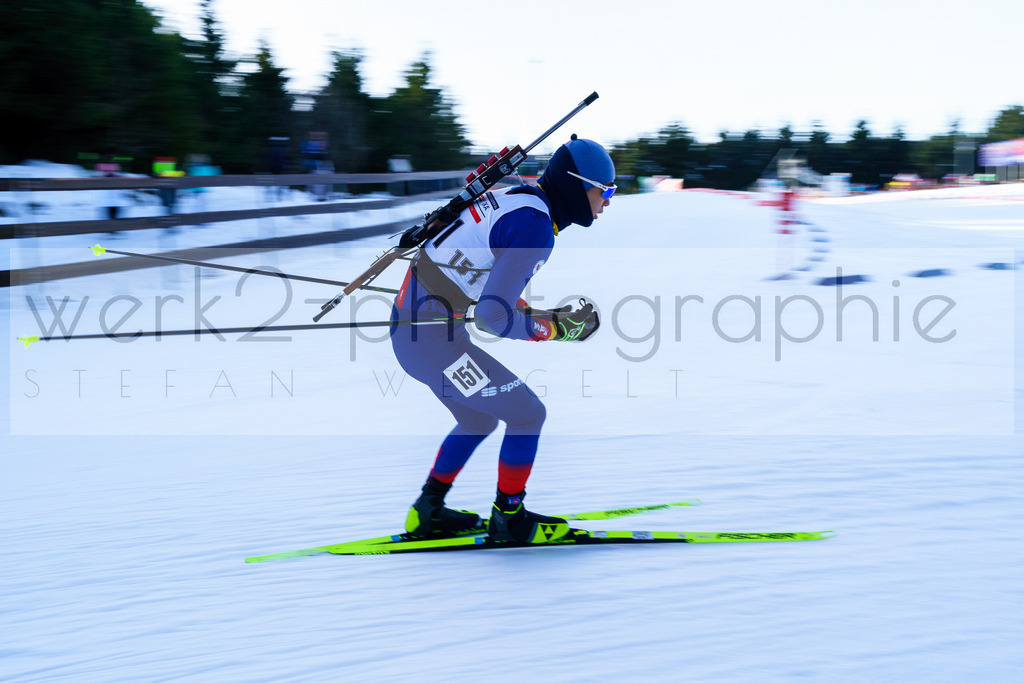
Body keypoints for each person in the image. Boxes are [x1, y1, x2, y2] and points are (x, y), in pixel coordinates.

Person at [390, 136, 615, 544]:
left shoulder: (521, 198)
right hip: (434, 345)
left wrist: (547, 318)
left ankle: (427, 511)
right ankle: (509, 517)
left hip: (415, 334)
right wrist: (553, 330)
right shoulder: (535, 229)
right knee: (528, 414)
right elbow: (494, 316)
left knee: (479, 418)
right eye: (606, 190)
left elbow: (494, 288)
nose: (609, 201)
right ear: (577, 187)